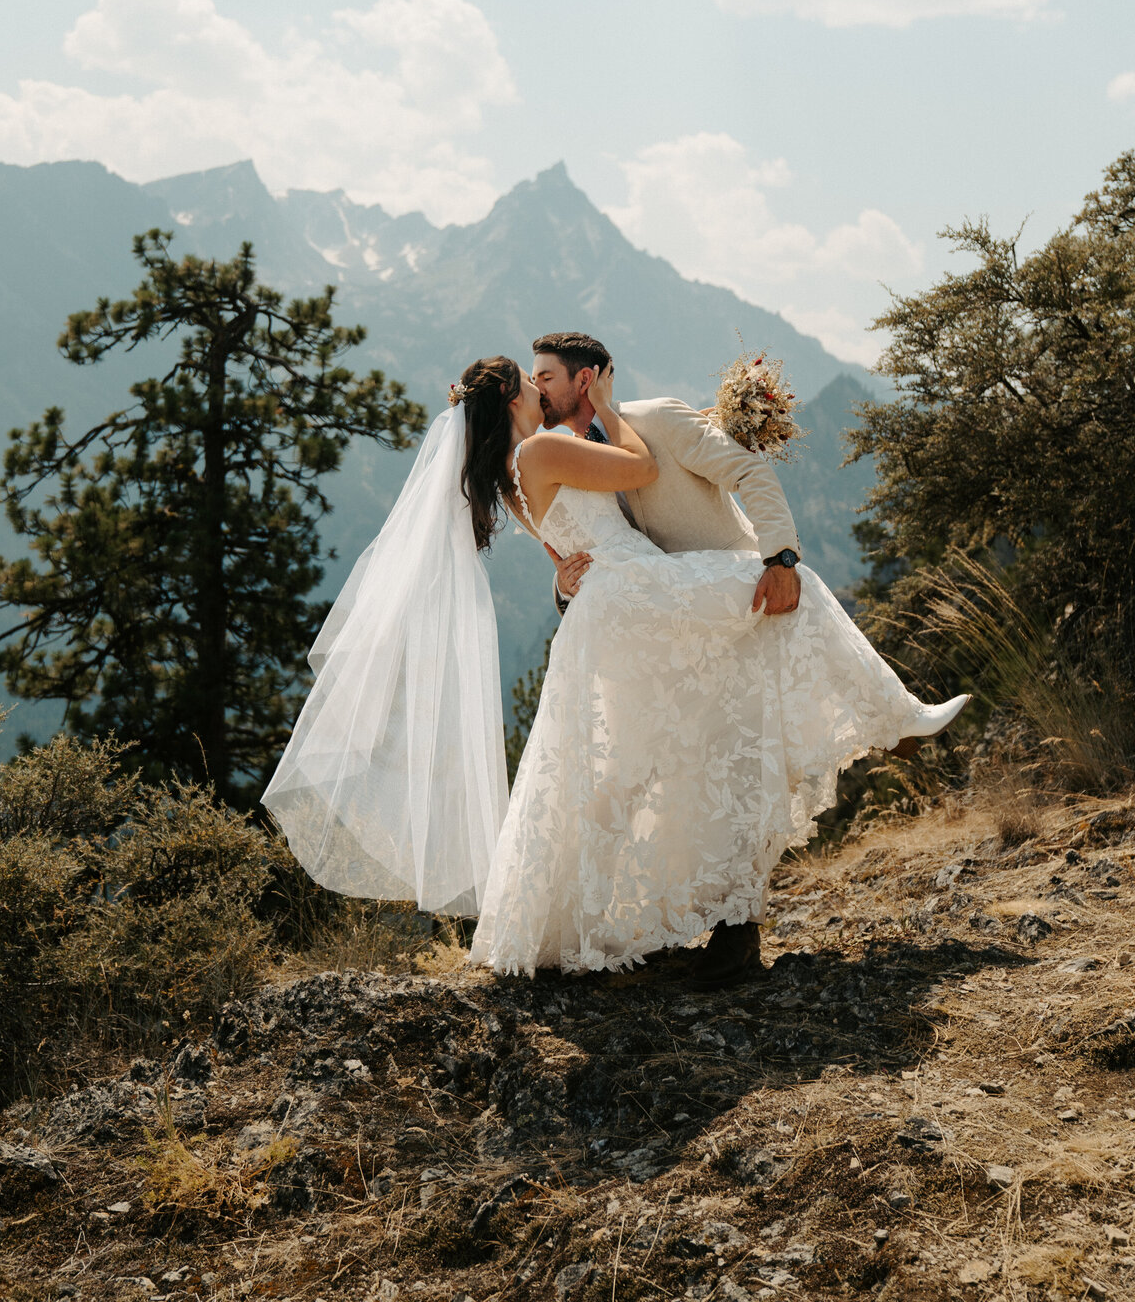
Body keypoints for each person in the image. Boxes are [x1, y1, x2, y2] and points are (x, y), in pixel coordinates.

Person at [263, 353, 967, 983]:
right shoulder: (540, 450)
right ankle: (891, 717)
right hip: (635, 596)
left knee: (637, 767)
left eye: (547, 376)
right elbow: (643, 471)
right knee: (792, 589)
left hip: (611, 608)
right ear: (513, 401)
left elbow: (566, 555)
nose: (541, 390)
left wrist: (567, 582)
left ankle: (628, 916)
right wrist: (604, 415)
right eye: (530, 381)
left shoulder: (510, 480)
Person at [528, 330, 806, 981]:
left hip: (729, 611)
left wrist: (781, 558)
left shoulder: (656, 419)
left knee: (730, 765)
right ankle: (659, 920)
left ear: (587, 378)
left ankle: (739, 935)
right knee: (658, 776)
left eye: (546, 376)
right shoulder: (567, 453)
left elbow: (750, 471)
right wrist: (564, 583)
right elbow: (586, 543)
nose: (538, 387)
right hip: (649, 634)